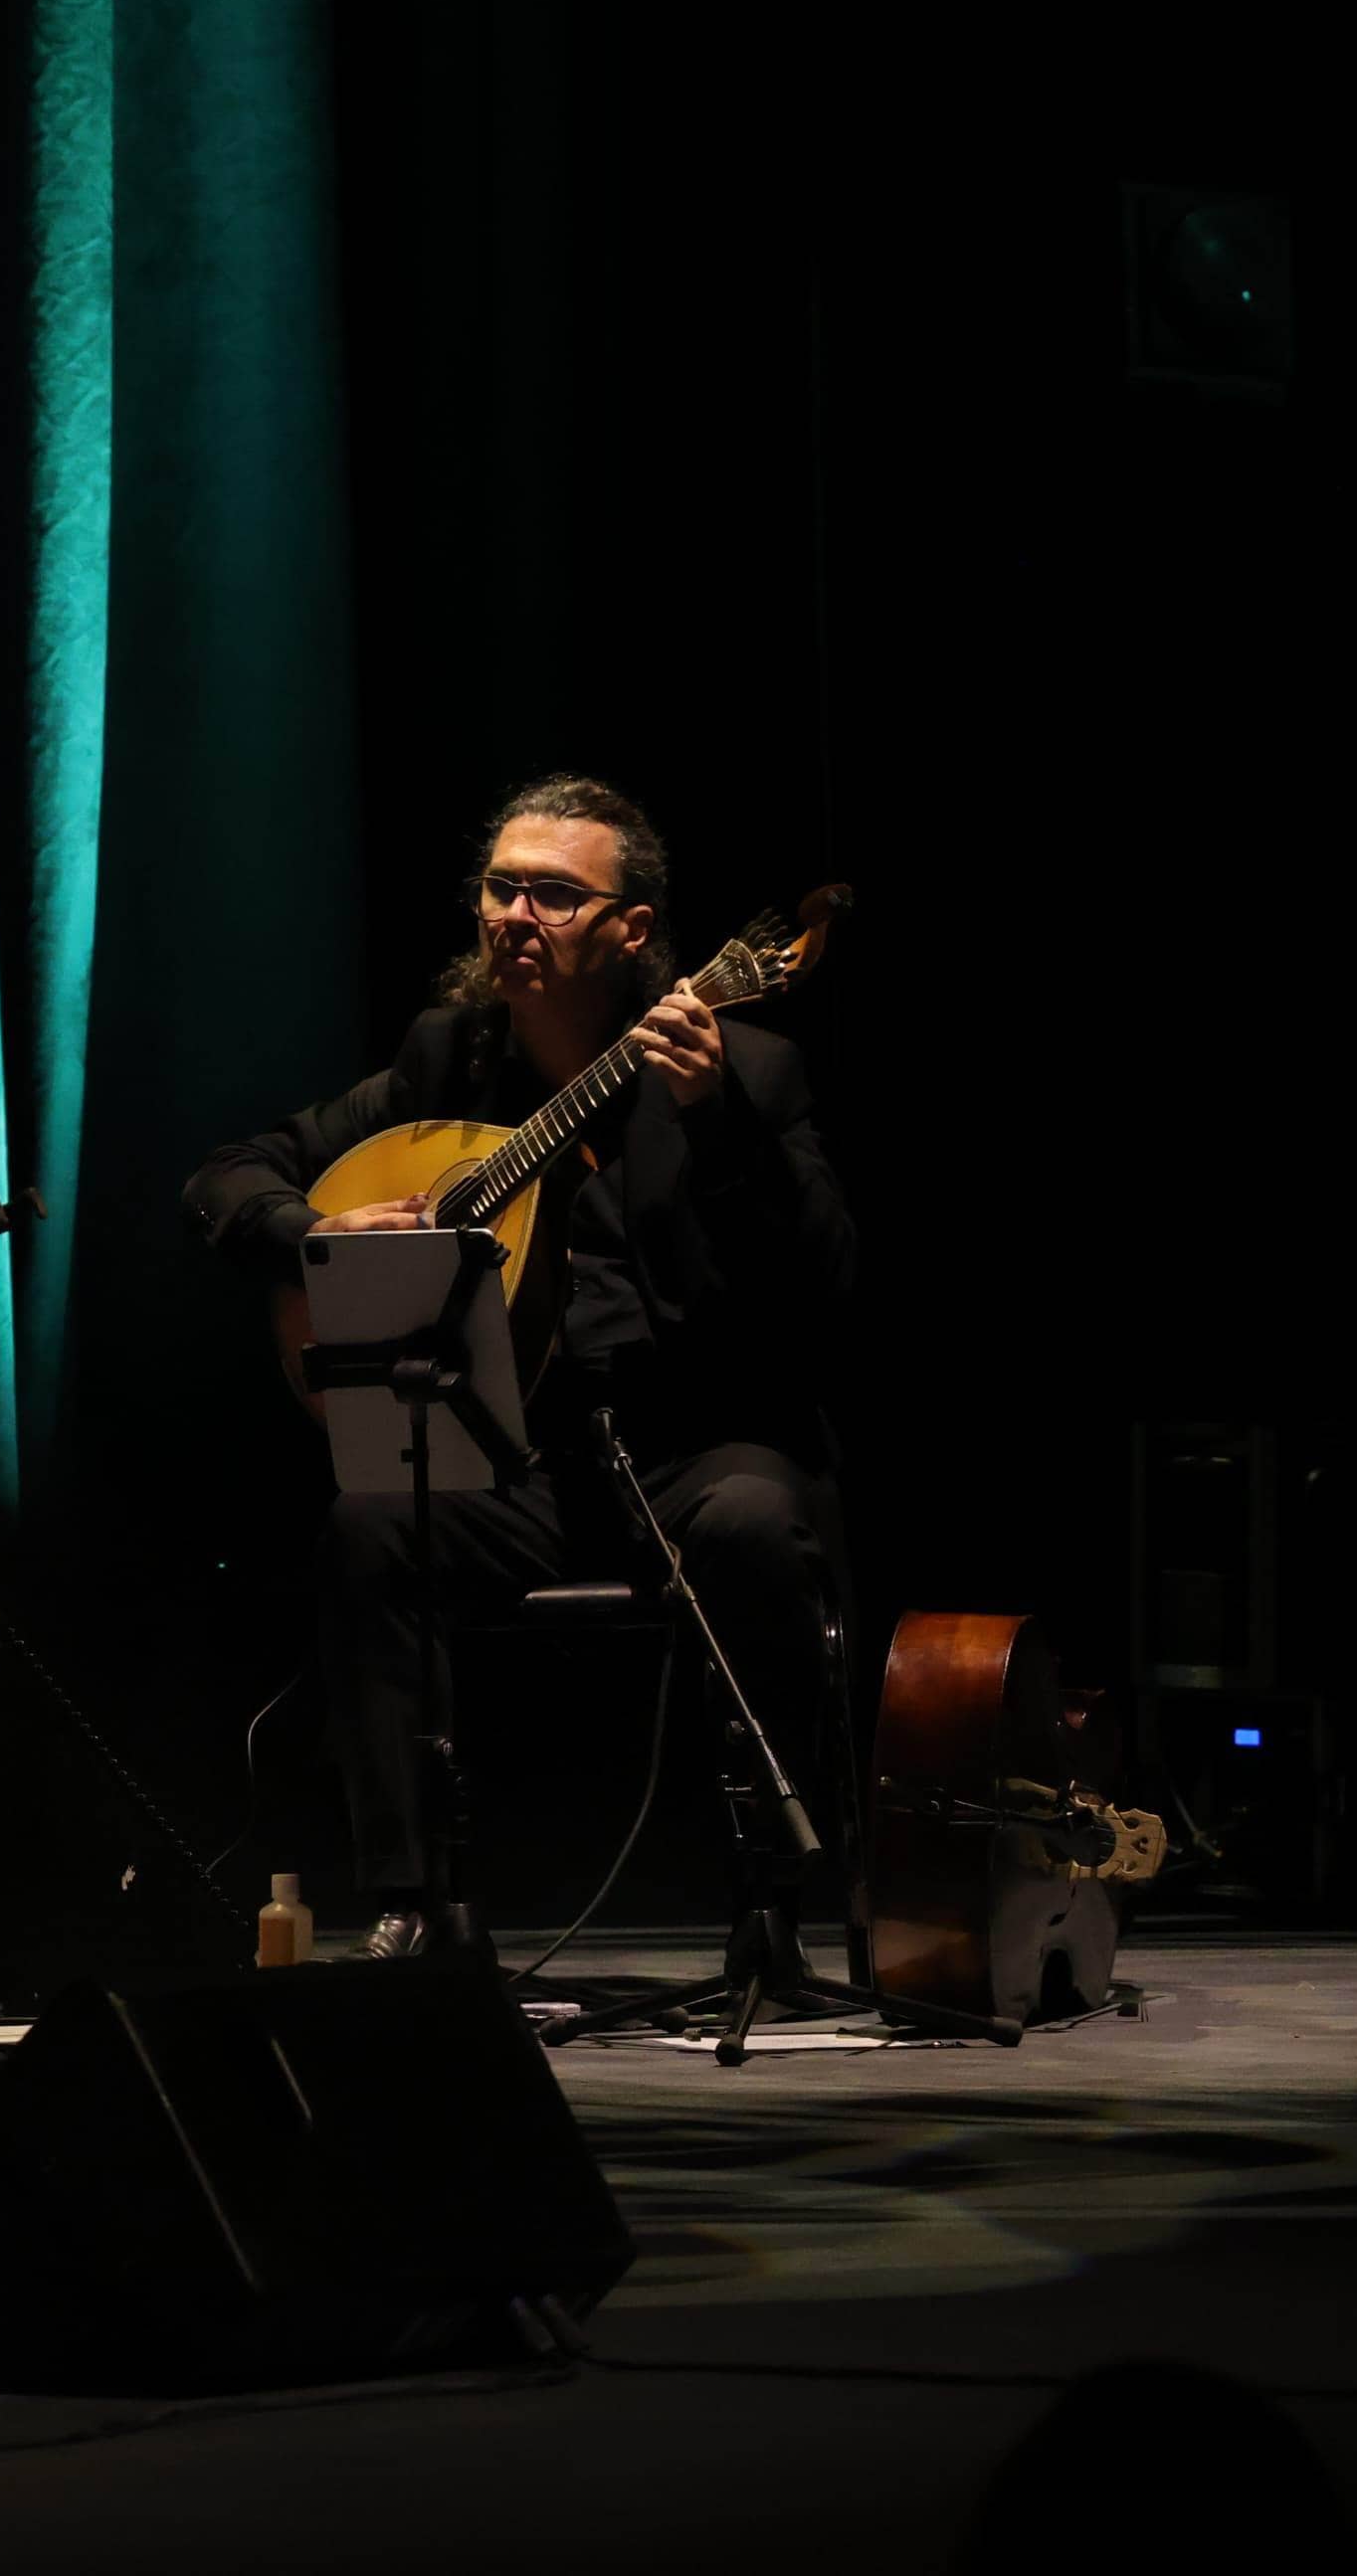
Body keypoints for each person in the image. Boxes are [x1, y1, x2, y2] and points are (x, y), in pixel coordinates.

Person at [181, 775, 856, 1960]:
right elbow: (232, 1173)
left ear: (631, 930)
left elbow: (822, 1286)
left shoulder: (747, 1070)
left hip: (684, 1446)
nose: (512, 915)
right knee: (371, 1526)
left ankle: (770, 1902)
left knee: (754, 1521)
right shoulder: (448, 1065)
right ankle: (415, 1905)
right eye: (499, 887)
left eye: (551, 893)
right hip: (512, 1457)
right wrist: (318, 1240)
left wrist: (717, 1128)